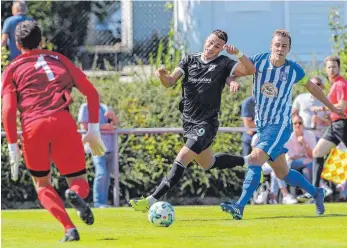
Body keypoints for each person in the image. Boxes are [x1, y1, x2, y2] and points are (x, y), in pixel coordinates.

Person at [220, 29, 345, 220]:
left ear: (288, 49)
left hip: (279, 126)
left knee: (254, 159)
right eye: (277, 44)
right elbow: (233, 73)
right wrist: (231, 82)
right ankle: (316, 192)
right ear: (271, 45)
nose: (280, 48)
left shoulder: (294, 69)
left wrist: (332, 108)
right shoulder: (258, 61)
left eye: (284, 46)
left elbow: (313, 89)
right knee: (283, 173)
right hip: (263, 127)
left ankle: (240, 206)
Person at [1, 20, 106, 242]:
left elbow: (8, 110)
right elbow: (92, 94)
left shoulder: (12, 68)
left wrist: (12, 145)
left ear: (18, 45)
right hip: (63, 122)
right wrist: (94, 128)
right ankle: (75, 195)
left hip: (33, 127)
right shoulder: (60, 59)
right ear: (41, 40)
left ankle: (69, 228)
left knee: (42, 184)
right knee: (79, 181)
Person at [129, 29, 256, 212]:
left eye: (217, 46)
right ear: (206, 40)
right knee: (207, 163)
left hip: (207, 124)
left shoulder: (223, 62)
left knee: (182, 158)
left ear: (221, 49)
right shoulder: (189, 60)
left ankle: (151, 199)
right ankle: (249, 161)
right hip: (189, 122)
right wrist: (162, 76)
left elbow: (250, 69)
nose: (212, 47)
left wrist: (237, 53)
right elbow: (170, 81)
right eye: (211, 42)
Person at [309, 56, 347, 199]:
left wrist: (322, 108)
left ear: (339, 68)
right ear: (326, 69)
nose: (331, 69)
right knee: (317, 152)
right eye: (329, 67)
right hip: (334, 125)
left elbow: (342, 106)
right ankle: (315, 193)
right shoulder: (334, 84)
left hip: (343, 124)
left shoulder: (341, 84)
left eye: (334, 67)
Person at [78, 103, 118, 208]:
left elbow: (114, 126)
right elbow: (84, 126)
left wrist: (113, 116)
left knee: (107, 176)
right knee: (101, 174)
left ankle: (103, 203)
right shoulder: (85, 107)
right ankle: (98, 203)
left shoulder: (104, 107)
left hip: (110, 147)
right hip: (96, 146)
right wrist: (105, 127)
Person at [285, 114, 317, 182]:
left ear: (303, 124)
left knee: (306, 170)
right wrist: (304, 159)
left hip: (308, 161)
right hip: (292, 163)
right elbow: (292, 156)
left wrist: (304, 143)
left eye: (300, 123)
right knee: (310, 163)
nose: (298, 125)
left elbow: (312, 154)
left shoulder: (310, 134)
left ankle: (309, 189)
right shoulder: (288, 137)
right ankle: (318, 185)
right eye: (295, 123)